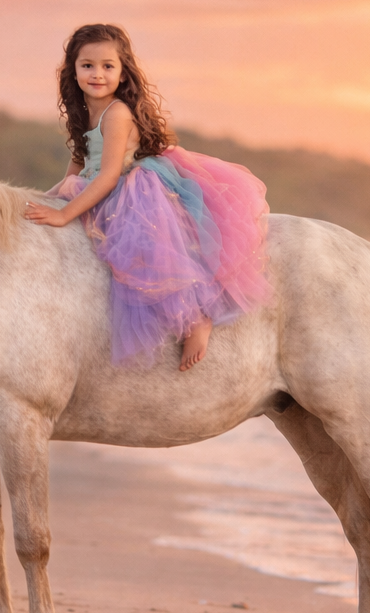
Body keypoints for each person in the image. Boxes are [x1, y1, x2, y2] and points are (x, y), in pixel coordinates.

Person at [23, 23, 272, 370]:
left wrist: (65, 215)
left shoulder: (118, 113)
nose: (97, 74)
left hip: (131, 187)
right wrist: (48, 200)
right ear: (73, 71)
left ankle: (197, 318)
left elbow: (108, 175)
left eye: (108, 66)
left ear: (123, 72)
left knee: (145, 250)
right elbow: (78, 165)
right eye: (88, 66)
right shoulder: (83, 110)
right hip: (100, 182)